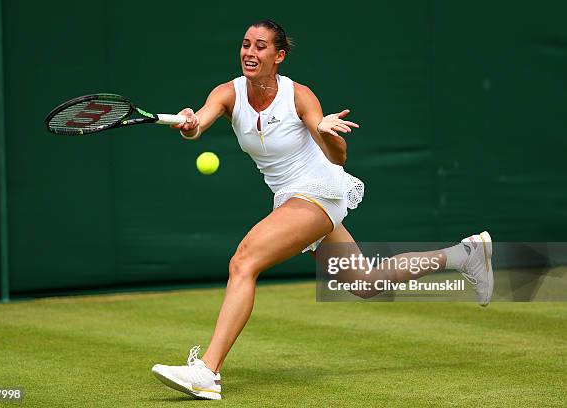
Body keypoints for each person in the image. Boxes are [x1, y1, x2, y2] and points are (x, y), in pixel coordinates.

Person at [151, 20, 493, 400]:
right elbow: (199, 123)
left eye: (261, 47)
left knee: (243, 261)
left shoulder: (299, 96)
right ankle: (465, 254)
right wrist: (189, 123)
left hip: (318, 190)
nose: (250, 52)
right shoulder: (227, 93)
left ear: (278, 56)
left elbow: (337, 156)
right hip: (290, 198)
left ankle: (208, 372)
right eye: (246, 44)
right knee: (365, 283)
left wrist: (327, 133)